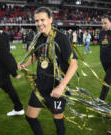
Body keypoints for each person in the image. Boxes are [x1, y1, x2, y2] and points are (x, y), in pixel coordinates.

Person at [18, 7, 78, 135]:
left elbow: (74, 64)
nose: (39, 23)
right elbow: (37, 55)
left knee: (58, 120)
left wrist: (61, 87)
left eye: (42, 20)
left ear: (51, 19)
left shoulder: (61, 38)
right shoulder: (38, 37)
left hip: (56, 88)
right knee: (30, 117)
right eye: (37, 21)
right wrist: (25, 65)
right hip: (40, 85)